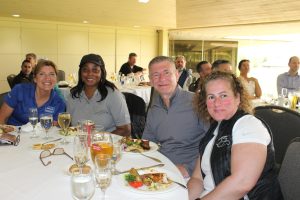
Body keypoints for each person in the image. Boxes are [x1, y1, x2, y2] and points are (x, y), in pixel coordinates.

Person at [188, 71, 282, 199]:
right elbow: (197, 179)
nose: (217, 102)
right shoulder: (215, 128)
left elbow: (242, 183)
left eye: (223, 95)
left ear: (237, 97)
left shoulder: (248, 125)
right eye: (211, 97)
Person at [143, 56, 207, 178]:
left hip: (191, 174)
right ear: (150, 80)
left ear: (177, 75)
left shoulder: (197, 103)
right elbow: (147, 143)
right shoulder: (153, 109)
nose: (161, 79)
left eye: (166, 73)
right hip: (161, 169)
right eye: (155, 75)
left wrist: (189, 168)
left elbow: (214, 143)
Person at [67, 53, 131, 136]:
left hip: (107, 146)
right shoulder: (73, 96)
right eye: (85, 70)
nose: (90, 74)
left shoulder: (113, 95)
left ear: (102, 73)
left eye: (95, 70)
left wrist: (98, 141)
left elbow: (125, 130)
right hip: (80, 144)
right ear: (80, 73)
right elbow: (69, 127)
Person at [0, 59, 66, 126]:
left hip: (40, 136)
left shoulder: (59, 103)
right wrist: (4, 134)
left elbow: (53, 130)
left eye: (52, 74)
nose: (47, 78)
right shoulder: (19, 90)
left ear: (56, 79)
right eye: (42, 74)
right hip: (14, 133)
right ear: (35, 78)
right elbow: (2, 119)